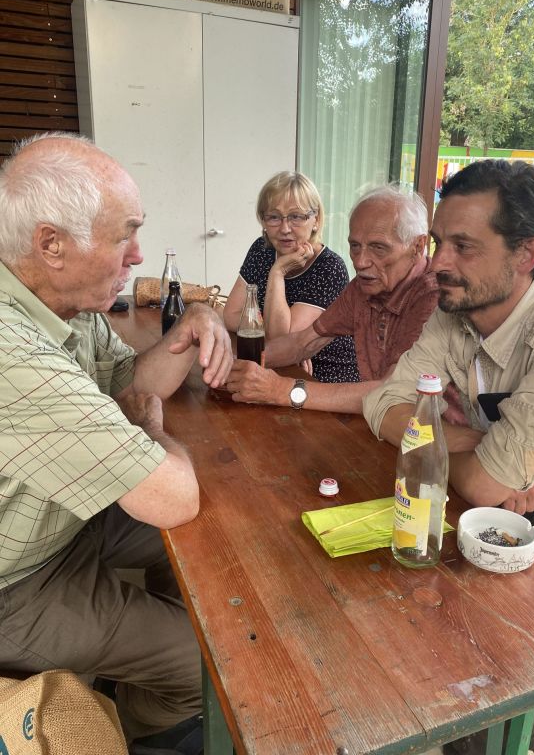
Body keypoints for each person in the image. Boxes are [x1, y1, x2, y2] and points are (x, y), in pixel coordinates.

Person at [0, 132, 233, 755]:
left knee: (220, 543)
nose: (137, 254)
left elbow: (133, 384)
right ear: (51, 244)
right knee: (208, 661)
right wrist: (150, 433)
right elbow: (171, 496)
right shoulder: (10, 349)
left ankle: (131, 677)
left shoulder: (61, 305)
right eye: (123, 235)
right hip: (15, 585)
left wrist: (194, 323)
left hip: (65, 525)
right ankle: (130, 728)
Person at [363, 159, 534, 754]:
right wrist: (470, 447)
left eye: (463, 247)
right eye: (439, 242)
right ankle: (525, 710)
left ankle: (525, 715)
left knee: (467, 661)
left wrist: (449, 451)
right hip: (489, 502)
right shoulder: (455, 318)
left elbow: (489, 485)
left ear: (526, 253)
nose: (438, 263)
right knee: (394, 589)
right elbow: (381, 403)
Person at [226, 185, 440, 412]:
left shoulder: (433, 297)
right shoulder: (363, 287)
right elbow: (303, 343)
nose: (360, 262)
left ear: (418, 247)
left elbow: (392, 390)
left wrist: (280, 389)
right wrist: (230, 364)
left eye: (378, 248)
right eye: (355, 246)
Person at [223, 170, 360, 382]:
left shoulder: (330, 267)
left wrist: (277, 272)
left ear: (316, 220)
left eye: (296, 217)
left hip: (323, 377)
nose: (285, 228)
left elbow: (282, 339)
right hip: (272, 365)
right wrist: (283, 343)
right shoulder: (261, 249)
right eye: (274, 217)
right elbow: (231, 314)